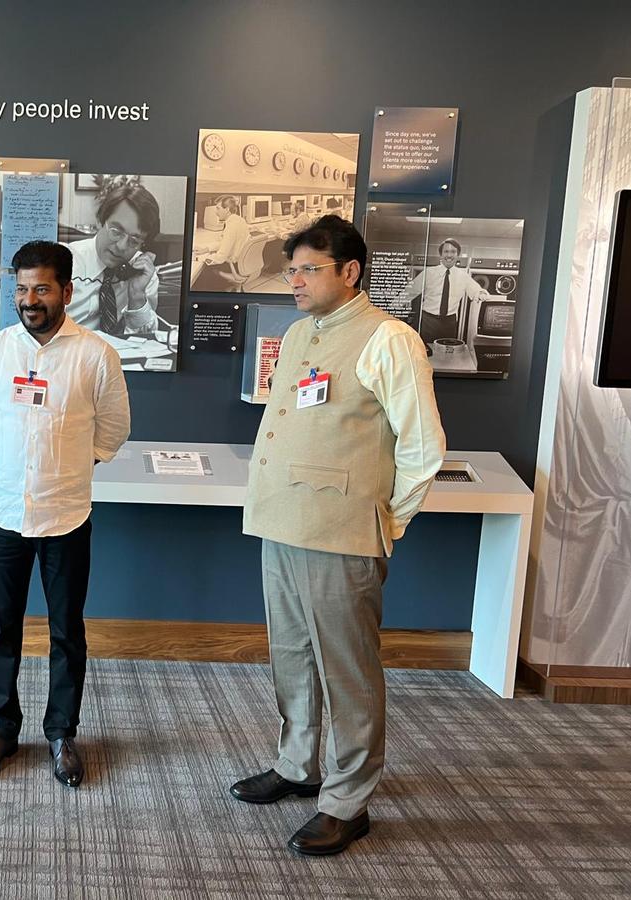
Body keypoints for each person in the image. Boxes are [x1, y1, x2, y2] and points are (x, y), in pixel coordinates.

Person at [236, 215, 445, 856]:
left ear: (349, 272)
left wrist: (390, 518)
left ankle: (349, 799)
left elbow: (423, 447)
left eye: (308, 269)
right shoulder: (299, 332)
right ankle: (299, 766)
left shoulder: (390, 340)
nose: (293, 279)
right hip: (282, 522)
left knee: (347, 671)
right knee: (292, 657)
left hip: (344, 531)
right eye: (291, 268)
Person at [0, 240, 130, 788]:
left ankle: (62, 733)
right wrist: (17, 463)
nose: (29, 299)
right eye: (21, 288)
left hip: (66, 514)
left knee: (66, 631)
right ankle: (1, 730)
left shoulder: (95, 354)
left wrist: (69, 465)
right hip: (5, 510)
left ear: (66, 290)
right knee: (0, 628)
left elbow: (114, 428)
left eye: (41, 288)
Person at [67, 182, 161, 337]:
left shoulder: (143, 273)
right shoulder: (64, 262)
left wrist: (137, 296)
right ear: (100, 221)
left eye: (134, 240)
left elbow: (147, 339)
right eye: (116, 231)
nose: (122, 246)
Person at [400, 238, 490, 345]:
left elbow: (476, 290)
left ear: (457, 255)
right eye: (446, 251)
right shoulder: (429, 273)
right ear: (441, 255)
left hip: (449, 324)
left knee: (447, 355)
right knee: (426, 352)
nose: (449, 255)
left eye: (453, 252)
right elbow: (409, 292)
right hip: (428, 322)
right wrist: (390, 310)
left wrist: (481, 294)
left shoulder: (463, 276)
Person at [191, 196, 251, 291]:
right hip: (242, 263)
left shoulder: (231, 226)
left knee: (203, 270)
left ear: (227, 209)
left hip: (233, 265)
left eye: (218, 208)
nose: (216, 212)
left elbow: (221, 257)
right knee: (208, 260)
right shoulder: (239, 220)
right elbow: (224, 242)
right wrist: (207, 249)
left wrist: (198, 258)